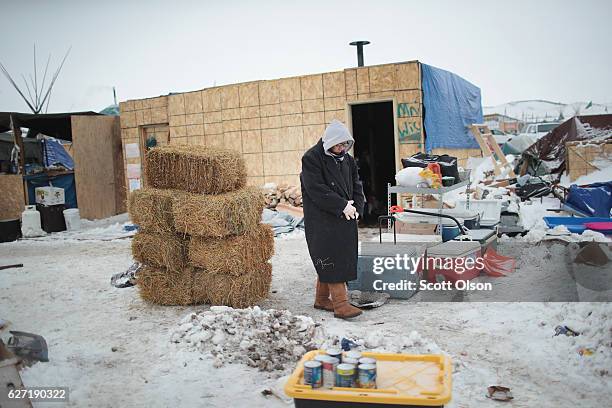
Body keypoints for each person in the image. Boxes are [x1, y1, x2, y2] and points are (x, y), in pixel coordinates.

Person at [300, 120, 365, 319]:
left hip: (345, 216)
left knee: (337, 257)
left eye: (345, 144)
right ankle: (341, 305)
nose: (341, 148)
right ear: (329, 142)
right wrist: (341, 205)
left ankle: (321, 299)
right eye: (338, 145)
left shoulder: (348, 160)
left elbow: (356, 184)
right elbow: (316, 188)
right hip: (322, 217)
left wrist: (357, 208)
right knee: (331, 257)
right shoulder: (312, 158)